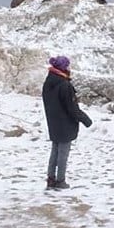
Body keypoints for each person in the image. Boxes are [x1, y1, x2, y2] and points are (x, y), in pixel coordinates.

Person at [42, 55, 92, 190]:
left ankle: (51, 179)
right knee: (63, 154)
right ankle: (60, 181)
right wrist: (86, 120)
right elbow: (72, 108)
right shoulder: (65, 85)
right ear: (63, 68)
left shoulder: (48, 82)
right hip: (65, 125)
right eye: (68, 66)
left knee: (55, 152)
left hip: (53, 123)